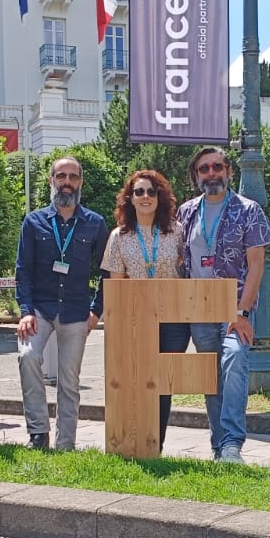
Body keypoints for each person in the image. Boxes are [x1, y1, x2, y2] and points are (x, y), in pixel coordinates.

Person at [176, 146, 270, 463]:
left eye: (217, 167)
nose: (212, 173)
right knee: (210, 376)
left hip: (235, 305)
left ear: (229, 172)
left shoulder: (248, 210)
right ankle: (219, 447)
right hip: (198, 306)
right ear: (196, 176)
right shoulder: (186, 211)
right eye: (204, 169)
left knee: (233, 360)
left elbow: (257, 264)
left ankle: (232, 442)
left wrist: (243, 312)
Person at [16, 156, 109, 451]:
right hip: (40, 310)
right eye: (61, 176)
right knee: (28, 357)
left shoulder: (95, 223)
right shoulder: (33, 222)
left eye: (73, 177)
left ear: (80, 182)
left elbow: (107, 271)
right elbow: (23, 270)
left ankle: (66, 443)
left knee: (69, 380)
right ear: (51, 181)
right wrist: (25, 312)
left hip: (76, 312)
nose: (67, 182)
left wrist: (96, 310)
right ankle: (38, 433)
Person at [101, 169, 186, 450]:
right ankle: (133, 440)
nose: (146, 197)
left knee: (163, 383)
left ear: (160, 197)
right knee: (136, 379)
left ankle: (155, 443)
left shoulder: (176, 232)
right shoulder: (119, 236)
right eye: (139, 192)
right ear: (130, 198)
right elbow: (115, 286)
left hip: (172, 318)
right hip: (136, 319)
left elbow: (186, 273)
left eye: (151, 191)